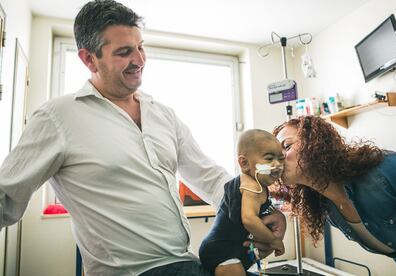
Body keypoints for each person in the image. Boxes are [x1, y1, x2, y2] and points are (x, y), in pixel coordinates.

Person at [0, 0, 283, 275]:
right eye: (124, 52)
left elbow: (208, 176)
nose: (139, 60)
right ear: (89, 59)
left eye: (140, 47)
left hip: (185, 262)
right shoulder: (57, 117)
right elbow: (5, 196)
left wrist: (263, 209)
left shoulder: (163, 115)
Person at [271, 116, 396, 275]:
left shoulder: (382, 169)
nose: (279, 159)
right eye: (275, 154)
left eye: (287, 146)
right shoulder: (329, 209)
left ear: (314, 142)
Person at [199, 129, 286, 276]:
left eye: (281, 158)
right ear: (244, 163)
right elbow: (249, 220)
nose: (277, 165)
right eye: (269, 158)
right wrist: (273, 240)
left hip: (231, 250)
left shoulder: (256, 183)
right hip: (221, 252)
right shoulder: (251, 187)